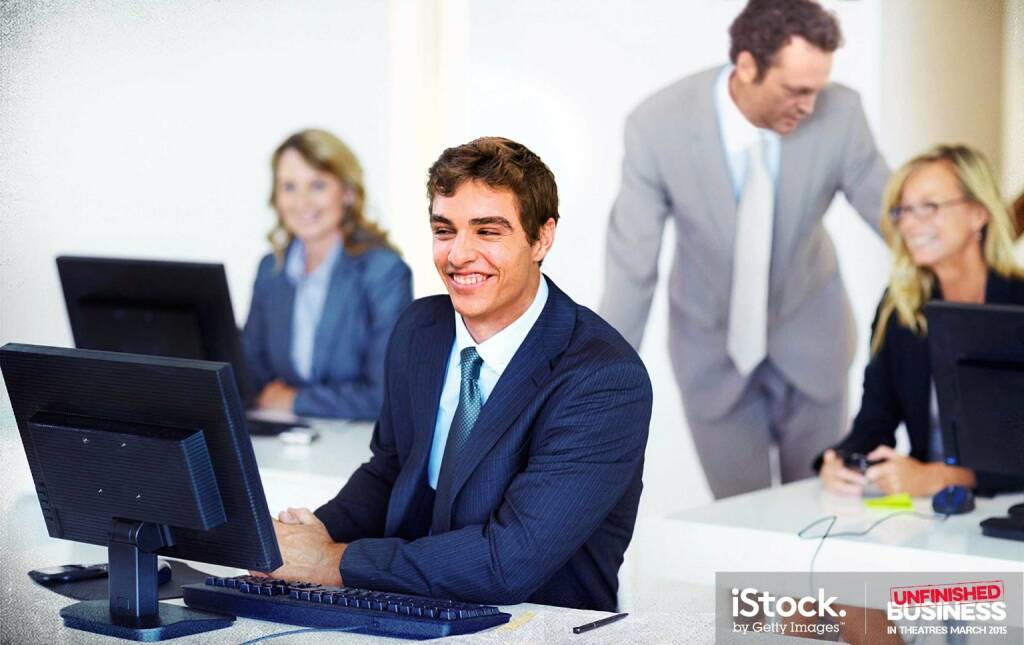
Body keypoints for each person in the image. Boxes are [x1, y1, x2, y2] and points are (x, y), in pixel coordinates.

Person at [256, 137, 652, 611]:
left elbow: (509, 561)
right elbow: (389, 472)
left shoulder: (602, 377)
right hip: (412, 607)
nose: (459, 255)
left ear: (541, 238)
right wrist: (307, 539)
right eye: (445, 230)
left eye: (487, 232)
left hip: (536, 626)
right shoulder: (421, 328)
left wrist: (331, 562)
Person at [599, 0, 888, 499]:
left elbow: (896, 215)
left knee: (820, 516)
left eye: (817, 90)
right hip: (711, 353)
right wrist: (596, 382)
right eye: (796, 91)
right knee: (742, 525)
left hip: (812, 340)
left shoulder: (842, 114)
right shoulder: (656, 126)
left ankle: (816, 586)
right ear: (747, 66)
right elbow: (632, 269)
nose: (810, 107)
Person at [818, 144, 1024, 497]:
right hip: (926, 510)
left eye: (929, 207)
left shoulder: (1017, 304)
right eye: (903, 210)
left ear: (978, 213)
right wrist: (840, 462)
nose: (910, 224)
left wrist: (944, 477)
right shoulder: (899, 306)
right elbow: (875, 419)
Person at [242, 129, 412, 420]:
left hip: (357, 444)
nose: (302, 202)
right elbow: (250, 376)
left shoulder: (383, 272)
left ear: (346, 192)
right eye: (289, 187)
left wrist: (295, 401)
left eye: (318, 185)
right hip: (286, 440)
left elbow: (384, 396)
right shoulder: (271, 271)